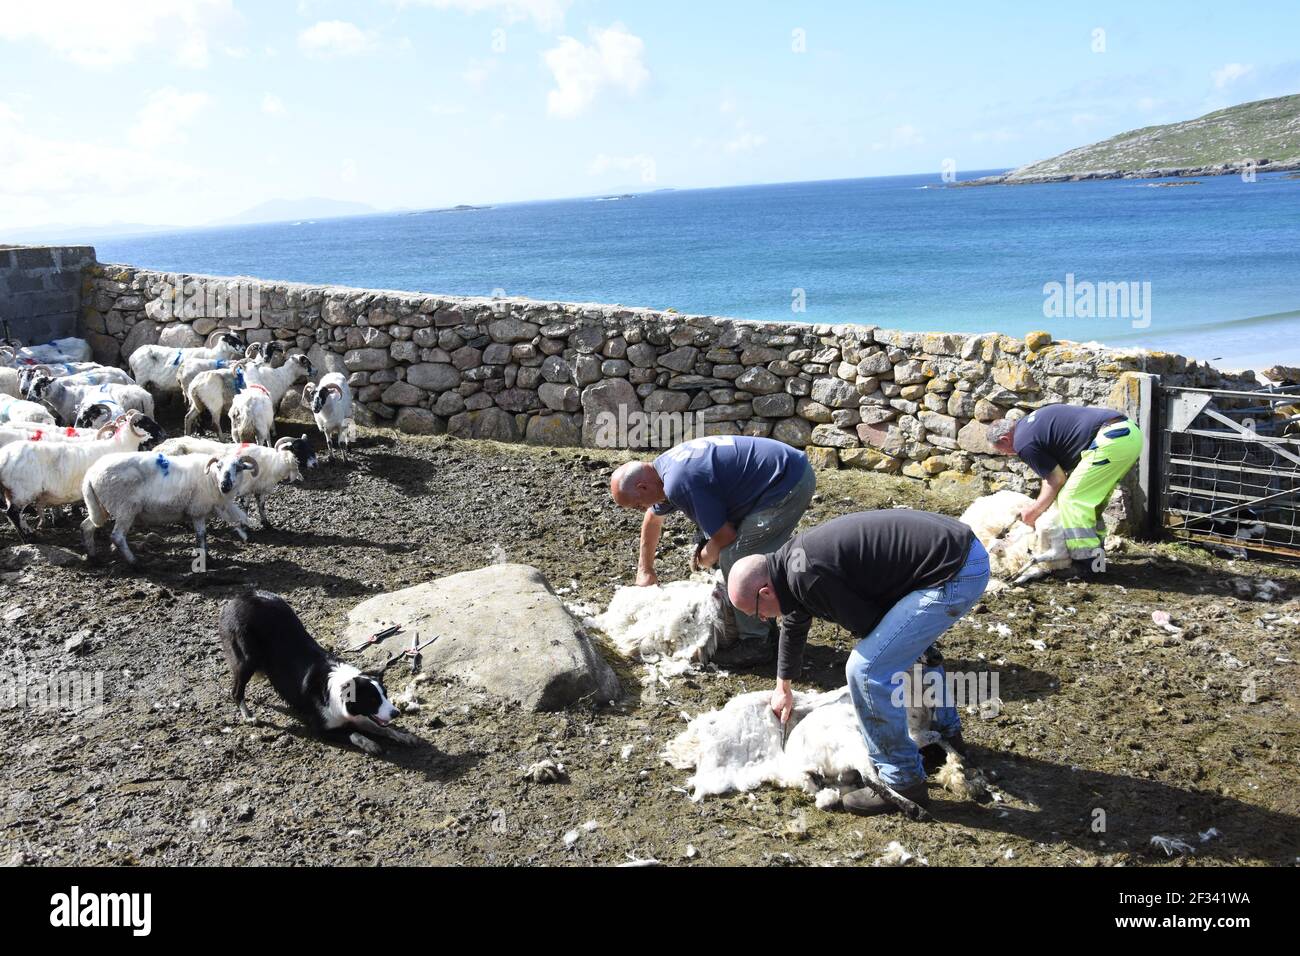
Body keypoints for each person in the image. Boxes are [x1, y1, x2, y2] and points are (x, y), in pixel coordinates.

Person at [727, 510, 988, 816]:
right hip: (954, 552)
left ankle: (902, 782)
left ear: (765, 591)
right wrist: (783, 686)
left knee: (867, 669)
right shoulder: (790, 564)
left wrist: (908, 648)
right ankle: (946, 735)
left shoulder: (808, 577)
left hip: (954, 570)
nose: (760, 619)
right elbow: (795, 621)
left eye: (755, 611)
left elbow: (868, 624)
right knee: (905, 649)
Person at [609, 434, 816, 667]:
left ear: (642, 486)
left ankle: (757, 642)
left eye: (637, 504)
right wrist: (645, 570)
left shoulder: (678, 482)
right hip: (774, 476)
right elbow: (653, 517)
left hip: (786, 483)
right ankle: (761, 621)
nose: (641, 508)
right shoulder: (662, 471)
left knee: (736, 559)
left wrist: (703, 561)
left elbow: (725, 537)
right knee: (733, 554)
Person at [987, 404, 1142, 577]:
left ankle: (1086, 565)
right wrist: (1039, 506)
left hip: (1112, 439)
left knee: (1071, 500)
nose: (1010, 455)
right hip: (1127, 434)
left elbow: (1056, 479)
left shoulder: (1023, 443)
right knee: (1090, 503)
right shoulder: (1029, 426)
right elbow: (1054, 476)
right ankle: (1097, 560)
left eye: (1004, 451)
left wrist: (1034, 510)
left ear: (1005, 439)